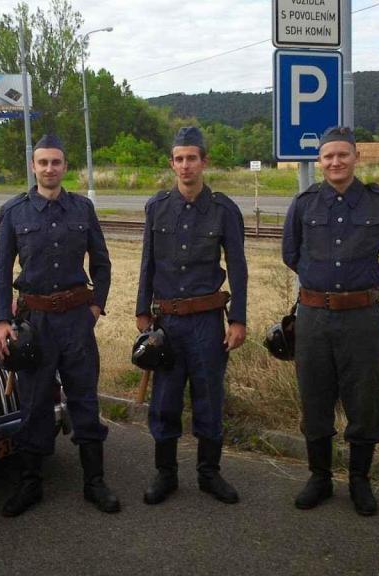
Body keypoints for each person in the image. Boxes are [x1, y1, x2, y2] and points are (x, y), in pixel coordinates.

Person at [281, 126, 379, 516]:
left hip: (361, 318)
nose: (335, 162)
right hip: (314, 318)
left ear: (356, 157)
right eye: (328, 156)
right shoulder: (304, 204)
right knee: (315, 396)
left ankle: (359, 480)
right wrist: (319, 285)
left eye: (342, 155)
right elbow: (291, 254)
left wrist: (369, 286)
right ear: (320, 161)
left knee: (364, 398)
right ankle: (319, 477)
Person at [0, 134, 120, 517]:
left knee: (84, 399)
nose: (49, 169)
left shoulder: (82, 209)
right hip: (36, 324)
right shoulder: (14, 212)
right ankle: (30, 484)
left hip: (77, 323)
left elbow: (102, 263)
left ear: (65, 167)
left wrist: (96, 306)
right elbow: (2, 271)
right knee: (33, 404)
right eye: (43, 162)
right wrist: (1, 320)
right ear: (33, 166)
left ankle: (94, 482)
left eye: (56, 163)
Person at [135, 126, 248, 506]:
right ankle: (165, 474)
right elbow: (147, 262)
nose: (186, 166)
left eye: (192, 158)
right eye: (179, 159)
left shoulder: (224, 210)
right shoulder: (156, 208)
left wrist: (239, 318)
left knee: (209, 398)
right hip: (166, 322)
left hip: (206, 322)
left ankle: (209, 473)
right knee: (164, 400)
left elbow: (239, 267)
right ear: (172, 163)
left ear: (204, 161)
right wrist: (141, 311)